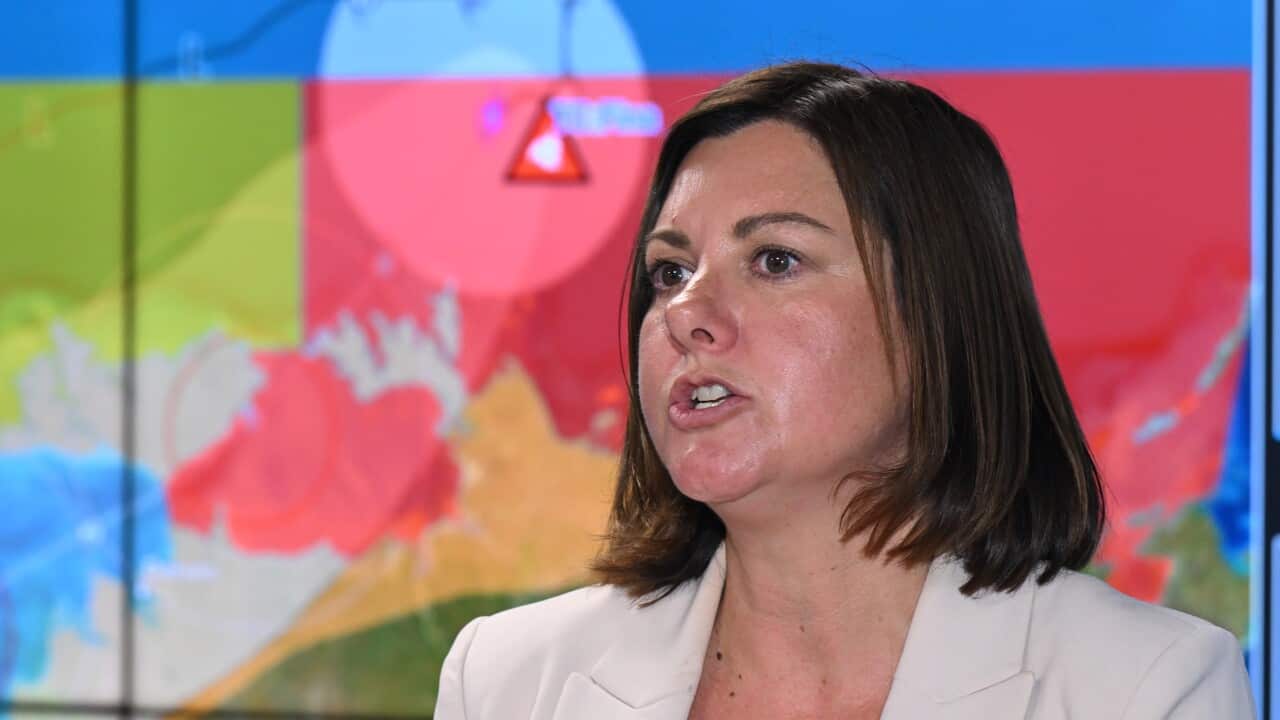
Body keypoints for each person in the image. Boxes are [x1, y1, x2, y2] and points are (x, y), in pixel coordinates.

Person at [434, 61, 1255, 719]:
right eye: (669, 271)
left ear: (937, 316)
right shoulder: (507, 681)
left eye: (775, 261)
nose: (685, 313)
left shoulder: (1146, 688)